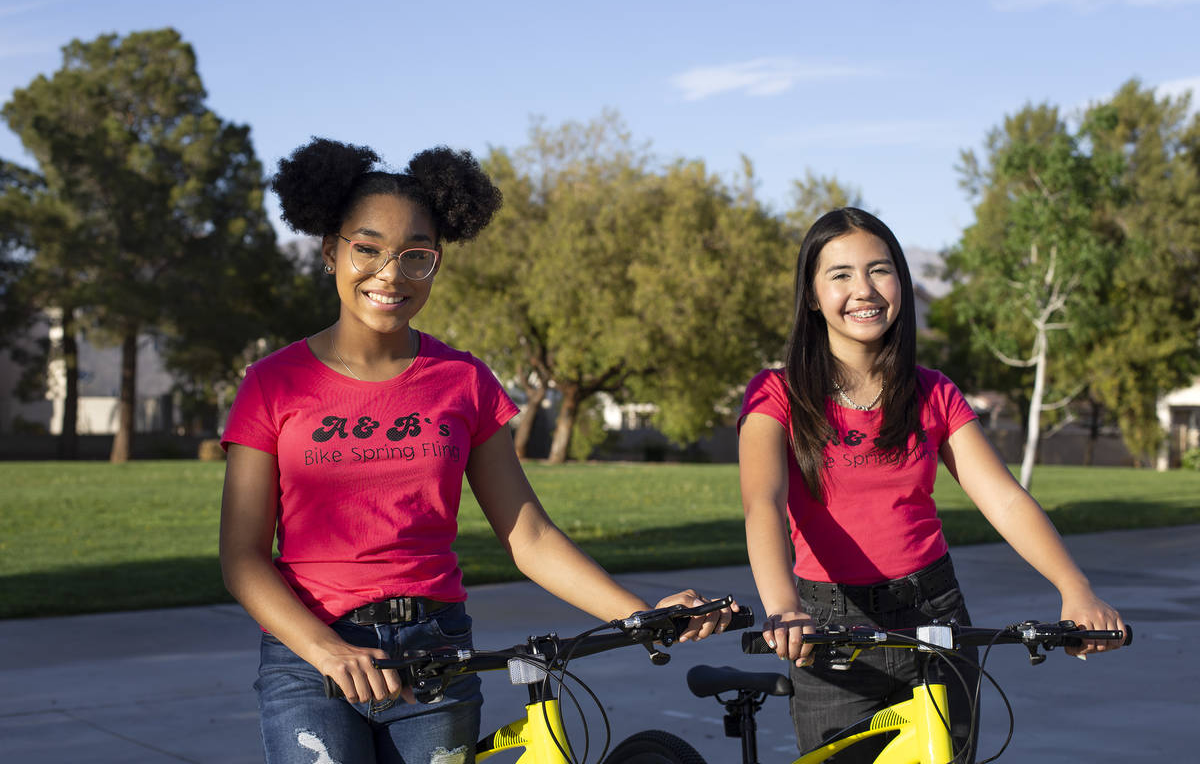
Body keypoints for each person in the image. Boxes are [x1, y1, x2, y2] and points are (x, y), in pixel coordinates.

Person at [219, 137, 731, 764]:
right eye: (368, 249)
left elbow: (530, 538)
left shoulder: (463, 380)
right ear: (331, 252)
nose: (391, 273)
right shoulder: (273, 383)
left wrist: (639, 614)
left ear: (436, 262)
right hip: (311, 660)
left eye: (416, 255)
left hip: (438, 654)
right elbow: (243, 557)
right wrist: (327, 650)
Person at [738, 207, 1125, 763]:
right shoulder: (776, 394)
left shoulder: (933, 392)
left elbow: (1003, 498)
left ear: (902, 282)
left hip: (934, 615)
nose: (863, 289)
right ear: (812, 295)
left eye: (880, 269)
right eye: (840, 274)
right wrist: (783, 607)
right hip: (827, 629)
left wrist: (1075, 589)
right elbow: (764, 504)